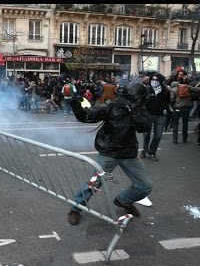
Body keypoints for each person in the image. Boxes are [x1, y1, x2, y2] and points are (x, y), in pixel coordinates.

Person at [66, 81, 153, 225]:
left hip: (128, 153)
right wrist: (76, 106)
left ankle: (124, 201)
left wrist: (132, 112)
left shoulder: (139, 109)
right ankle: (76, 209)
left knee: (145, 185)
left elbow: (145, 127)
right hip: (109, 152)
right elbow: (88, 116)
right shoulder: (111, 106)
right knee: (93, 183)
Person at [140, 73, 170, 161]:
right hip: (148, 115)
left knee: (158, 135)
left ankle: (152, 152)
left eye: (156, 80)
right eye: (153, 79)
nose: (154, 81)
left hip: (160, 116)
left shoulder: (165, 91)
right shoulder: (146, 89)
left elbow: (167, 102)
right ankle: (144, 151)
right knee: (146, 135)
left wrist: (165, 108)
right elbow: (141, 100)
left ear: (160, 81)